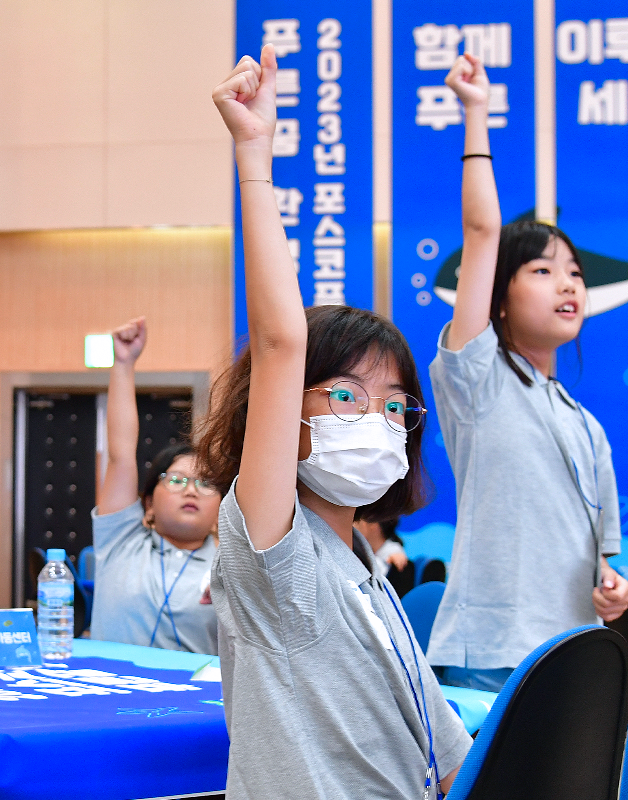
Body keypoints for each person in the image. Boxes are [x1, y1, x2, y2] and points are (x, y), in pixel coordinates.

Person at [202, 45, 471, 798]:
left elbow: (447, 757)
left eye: (394, 406)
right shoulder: (272, 553)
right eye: (346, 396)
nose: (378, 421)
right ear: (287, 413)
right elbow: (284, 343)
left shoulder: (365, 570)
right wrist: (255, 158)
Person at [424, 54, 628, 693]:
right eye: (542, 270)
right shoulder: (476, 379)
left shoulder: (584, 422)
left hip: (580, 651)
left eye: (574, 272)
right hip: (493, 651)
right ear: (500, 296)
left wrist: (613, 589)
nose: (568, 284)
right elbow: (483, 230)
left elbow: (605, 559)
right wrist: (476, 113)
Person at [92, 316, 220, 654]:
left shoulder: (229, 567)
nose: (192, 490)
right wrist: (123, 363)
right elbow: (120, 455)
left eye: (207, 484)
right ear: (148, 502)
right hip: (111, 695)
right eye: (177, 480)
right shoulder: (121, 541)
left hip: (193, 703)